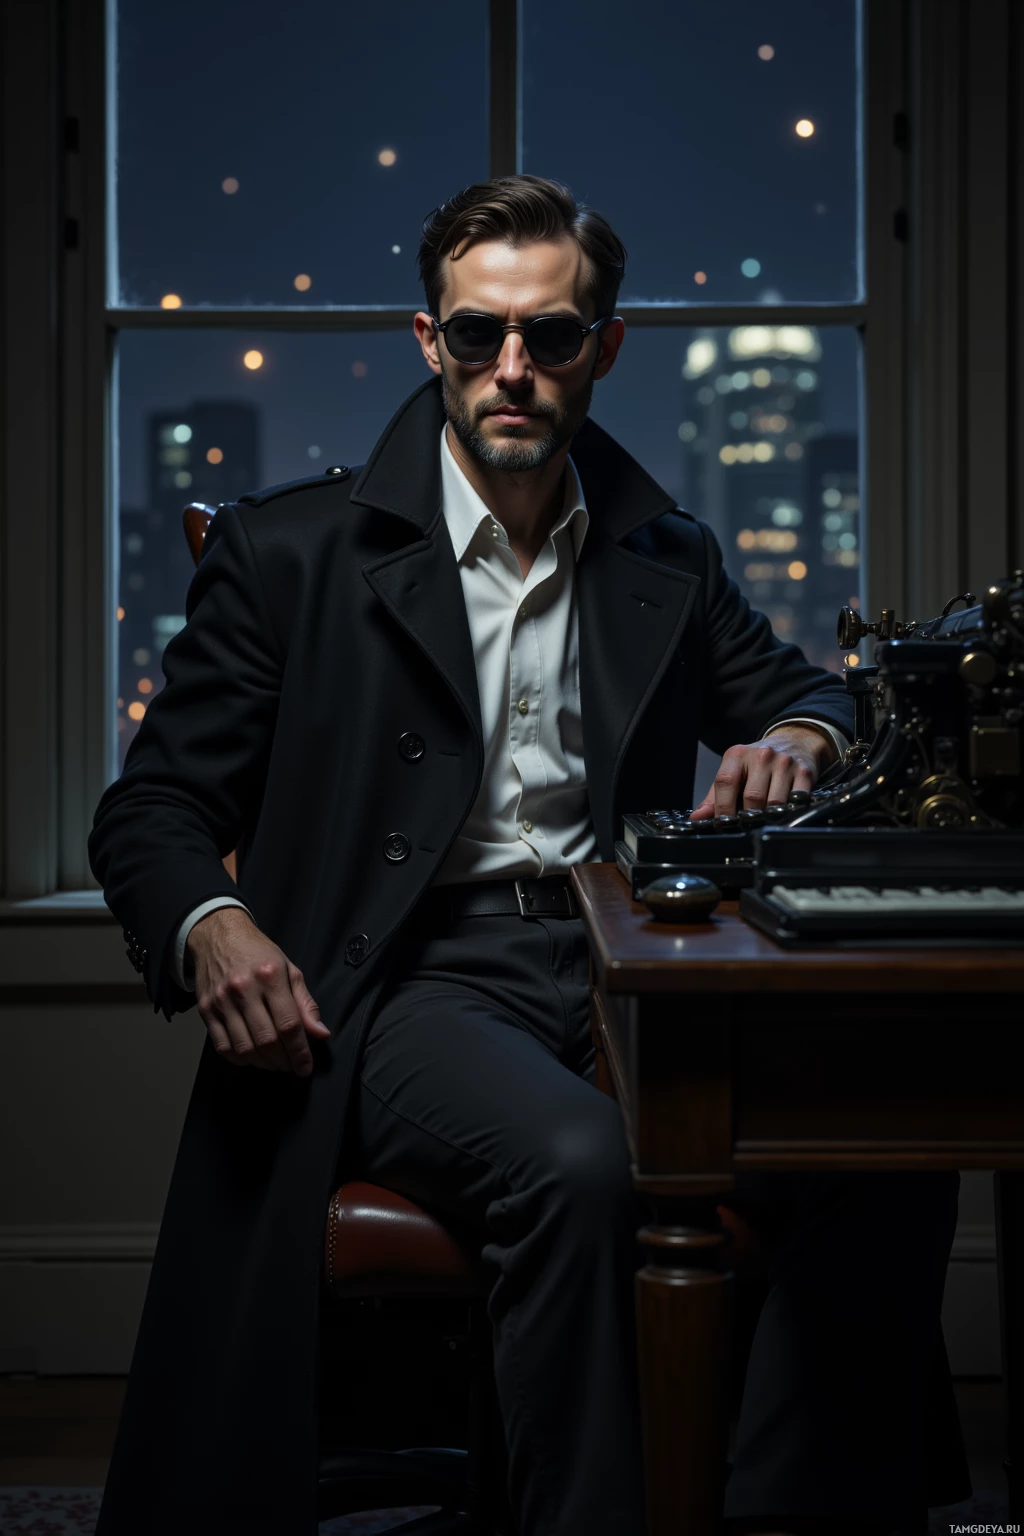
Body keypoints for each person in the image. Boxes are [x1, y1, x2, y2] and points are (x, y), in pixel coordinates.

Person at [89, 175, 969, 1536]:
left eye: (550, 336)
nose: (513, 368)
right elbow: (147, 811)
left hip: (636, 962)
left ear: (602, 348)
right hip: (413, 978)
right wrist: (213, 920)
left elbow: (819, 697)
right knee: (579, 1163)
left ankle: (787, 1515)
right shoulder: (290, 555)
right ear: (428, 339)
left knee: (889, 1149)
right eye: (476, 333)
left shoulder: (666, 547)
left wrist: (793, 732)